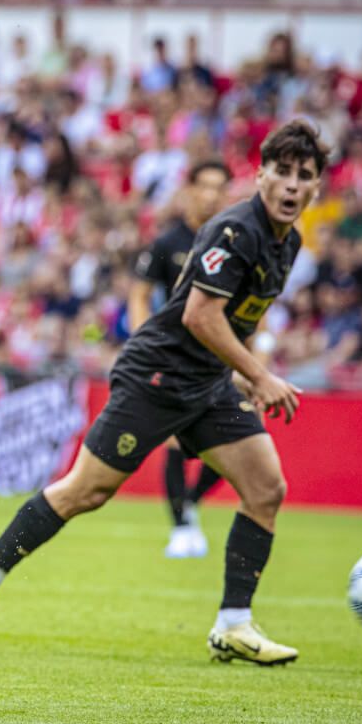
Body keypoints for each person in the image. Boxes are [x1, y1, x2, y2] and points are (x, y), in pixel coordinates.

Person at [0, 121, 328, 666]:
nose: (293, 185)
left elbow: (239, 319)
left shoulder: (285, 241)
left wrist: (244, 372)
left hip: (207, 380)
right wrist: (260, 375)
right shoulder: (236, 231)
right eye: (283, 172)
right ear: (261, 174)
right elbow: (199, 314)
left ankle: (233, 624)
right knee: (86, 491)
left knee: (266, 487)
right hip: (159, 373)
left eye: (306, 176)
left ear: (318, 186)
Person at [128, 160, 231, 558]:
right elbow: (139, 292)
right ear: (189, 190)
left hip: (221, 355)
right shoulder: (168, 242)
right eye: (204, 186)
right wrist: (143, 341)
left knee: (232, 442)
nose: (211, 194)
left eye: (218, 187)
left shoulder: (233, 241)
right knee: (172, 438)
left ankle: (189, 503)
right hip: (173, 355)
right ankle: (181, 527)